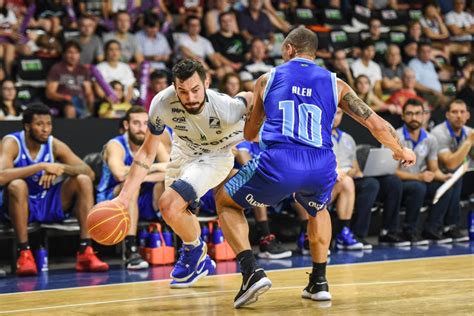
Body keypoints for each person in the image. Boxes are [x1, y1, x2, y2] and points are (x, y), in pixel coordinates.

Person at [214, 26, 415, 308]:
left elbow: (249, 135)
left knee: (225, 200)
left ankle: (250, 272)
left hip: (280, 161)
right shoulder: (337, 83)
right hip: (321, 165)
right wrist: (400, 149)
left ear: (288, 49)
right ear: (314, 52)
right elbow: (375, 123)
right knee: (318, 209)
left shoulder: (267, 79)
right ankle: (319, 281)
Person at [110, 59, 253, 288]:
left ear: (206, 82)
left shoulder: (226, 107)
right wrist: (124, 198)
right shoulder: (161, 103)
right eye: (183, 92)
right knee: (171, 212)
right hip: (182, 152)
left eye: (196, 90)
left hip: (215, 157)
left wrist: (254, 102)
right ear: (175, 87)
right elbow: (147, 153)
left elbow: (248, 96)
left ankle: (194, 250)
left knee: (169, 203)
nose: (191, 98)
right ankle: (197, 255)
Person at [0, 103, 108, 276]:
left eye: (48, 124)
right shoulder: (12, 142)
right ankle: (24, 253)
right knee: (17, 185)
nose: (45, 129)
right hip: (19, 204)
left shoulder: (53, 144)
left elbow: (88, 171)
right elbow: (2, 176)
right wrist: (41, 166)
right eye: (39, 124)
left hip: (46, 201)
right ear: (27, 126)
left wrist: (60, 167)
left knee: (83, 180)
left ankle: (86, 251)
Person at [97, 106, 168, 269]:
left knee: (171, 182)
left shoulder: (153, 142)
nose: (142, 128)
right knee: (132, 186)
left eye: (145, 123)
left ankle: (182, 245)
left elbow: (171, 169)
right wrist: (151, 170)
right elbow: (120, 174)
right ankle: (131, 249)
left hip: (142, 195)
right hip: (112, 198)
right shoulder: (115, 145)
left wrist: (141, 177)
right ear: (127, 125)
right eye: (136, 123)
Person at [395, 99, 453, 244]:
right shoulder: (394, 138)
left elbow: (434, 169)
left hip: (419, 180)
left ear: (424, 115)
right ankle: (409, 231)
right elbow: (392, 172)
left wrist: (445, 177)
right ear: (402, 116)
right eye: (409, 114)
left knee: (445, 187)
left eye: (417, 114)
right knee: (418, 187)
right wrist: (419, 177)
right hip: (399, 183)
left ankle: (431, 229)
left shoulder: (430, 139)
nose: (414, 118)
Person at [234, 141, 292, 259]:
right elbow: (245, 159)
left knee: (302, 187)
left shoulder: (270, 142)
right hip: (243, 192)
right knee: (258, 185)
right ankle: (266, 240)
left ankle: (307, 238)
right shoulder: (245, 142)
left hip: (276, 188)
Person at [431, 100, 472, 242]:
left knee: (458, 175)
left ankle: (451, 225)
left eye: (462, 112)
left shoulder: (468, 132)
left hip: (458, 175)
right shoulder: (438, 132)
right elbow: (450, 163)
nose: (459, 116)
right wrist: (468, 142)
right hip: (437, 175)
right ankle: (448, 226)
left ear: (468, 115)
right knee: (455, 174)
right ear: (447, 115)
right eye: (454, 112)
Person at [46, 41, 95, 118]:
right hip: (62, 102)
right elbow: (50, 93)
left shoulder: (83, 70)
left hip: (80, 101)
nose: (73, 56)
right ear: (64, 54)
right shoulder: (57, 68)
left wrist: (91, 106)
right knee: (70, 109)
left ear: (79, 55)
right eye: (70, 52)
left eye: (76, 53)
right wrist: (65, 97)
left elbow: (88, 92)